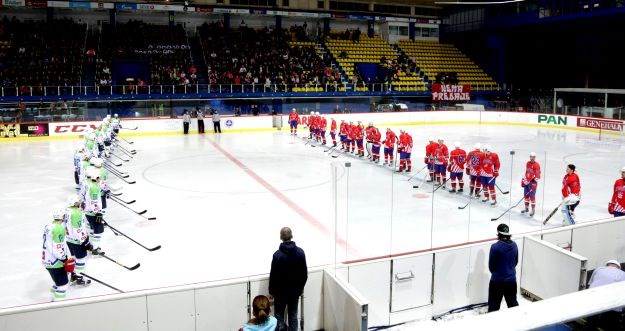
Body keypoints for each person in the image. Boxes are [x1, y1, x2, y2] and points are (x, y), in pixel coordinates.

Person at [269, 227, 308, 331]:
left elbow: (273, 276)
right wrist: (301, 288)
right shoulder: (300, 253)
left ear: (281, 237)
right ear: (292, 236)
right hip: (295, 292)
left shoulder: (277, 255)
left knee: (279, 317)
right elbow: (304, 274)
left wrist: (271, 291)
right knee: (293, 316)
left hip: (280, 294)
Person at [42, 208, 75, 301]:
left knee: (57, 283)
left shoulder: (48, 226)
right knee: (63, 285)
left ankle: (53, 300)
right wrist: (64, 259)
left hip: (47, 260)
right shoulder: (59, 228)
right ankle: (57, 307)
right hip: (56, 262)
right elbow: (57, 247)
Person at [488, 223, 519, 312]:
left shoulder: (495, 247)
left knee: (493, 307)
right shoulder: (514, 245)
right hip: (511, 281)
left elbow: (491, 266)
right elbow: (515, 262)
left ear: (498, 233)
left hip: (497, 281)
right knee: (513, 305)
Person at [586, 260, 625, 330]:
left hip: (593, 299)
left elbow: (590, 284)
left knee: (591, 322)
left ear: (607, 265)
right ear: (619, 267)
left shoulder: (598, 269)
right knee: (612, 322)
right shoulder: (623, 274)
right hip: (612, 303)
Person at [521, 152, 541, 216]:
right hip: (527, 182)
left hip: (532, 183)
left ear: (535, 157)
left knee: (532, 197)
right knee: (526, 195)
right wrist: (524, 179)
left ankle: (533, 210)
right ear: (530, 157)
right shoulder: (527, 163)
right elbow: (526, 172)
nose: (532, 158)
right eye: (531, 157)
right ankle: (526, 208)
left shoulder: (536, 165)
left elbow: (538, 176)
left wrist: (534, 184)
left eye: (533, 157)